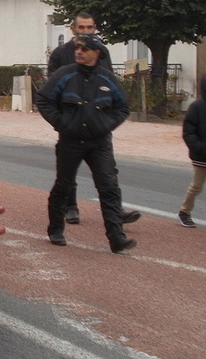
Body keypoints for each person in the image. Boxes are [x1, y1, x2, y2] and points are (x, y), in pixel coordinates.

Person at [36, 34, 137, 253]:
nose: (79, 52)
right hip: (70, 142)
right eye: (77, 49)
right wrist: (61, 123)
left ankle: (117, 238)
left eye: (85, 49)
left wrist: (105, 125)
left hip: (99, 143)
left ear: (96, 53)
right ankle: (55, 229)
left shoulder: (108, 79)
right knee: (63, 185)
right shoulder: (65, 75)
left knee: (109, 188)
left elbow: (123, 108)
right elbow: (43, 99)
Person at [177, 71, 206, 228]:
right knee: (197, 186)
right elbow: (188, 132)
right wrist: (199, 148)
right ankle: (184, 212)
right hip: (201, 156)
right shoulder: (197, 107)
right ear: (204, 86)